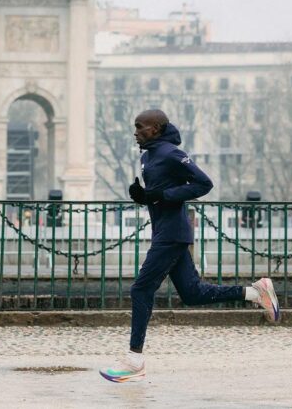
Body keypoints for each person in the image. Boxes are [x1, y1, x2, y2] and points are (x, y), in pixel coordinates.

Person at [99, 109, 280, 383]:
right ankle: (255, 293)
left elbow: (204, 183)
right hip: (166, 231)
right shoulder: (147, 155)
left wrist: (161, 195)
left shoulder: (171, 153)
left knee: (141, 289)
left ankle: (134, 359)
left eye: (140, 127)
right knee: (193, 293)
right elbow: (159, 196)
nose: (135, 132)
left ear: (156, 129)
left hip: (172, 234)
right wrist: (144, 197)